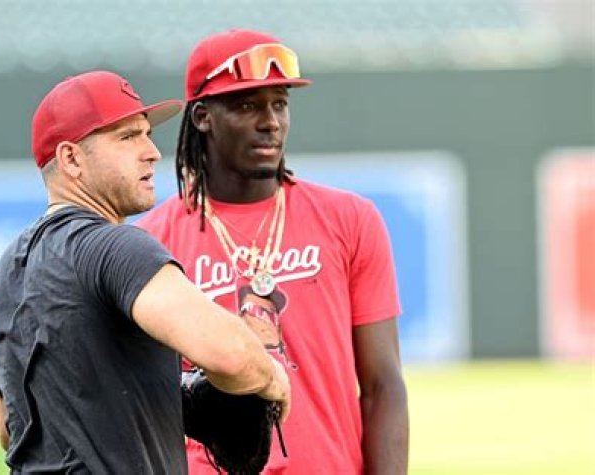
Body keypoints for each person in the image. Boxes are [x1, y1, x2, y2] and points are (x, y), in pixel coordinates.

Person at [0, 70, 291, 474]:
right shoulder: (116, 247)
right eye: (127, 137)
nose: (152, 152)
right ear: (71, 159)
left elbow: (9, 427)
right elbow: (229, 354)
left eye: (147, 134)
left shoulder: (7, 270)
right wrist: (271, 376)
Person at [136, 29, 409, 474]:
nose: (271, 122)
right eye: (248, 106)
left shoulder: (351, 219)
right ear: (203, 117)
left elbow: (383, 385)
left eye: (279, 103)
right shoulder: (150, 243)